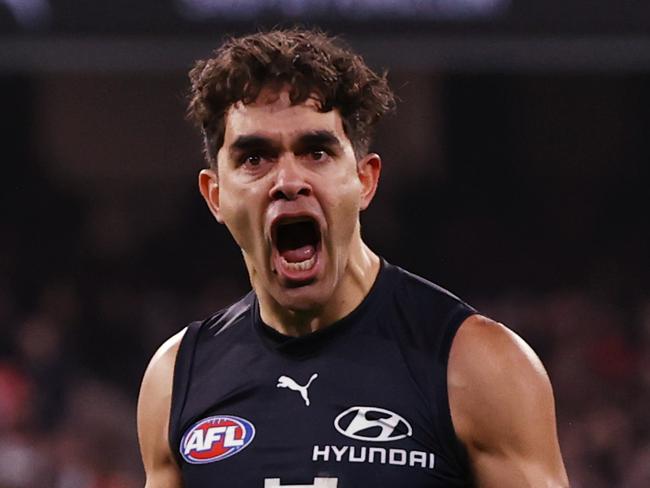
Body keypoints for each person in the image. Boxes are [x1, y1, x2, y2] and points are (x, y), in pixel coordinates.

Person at [137, 28, 569, 487]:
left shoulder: (478, 366)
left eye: (316, 151)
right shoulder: (176, 378)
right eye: (255, 158)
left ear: (365, 180)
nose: (287, 180)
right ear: (216, 195)